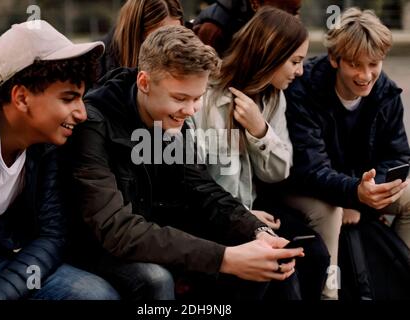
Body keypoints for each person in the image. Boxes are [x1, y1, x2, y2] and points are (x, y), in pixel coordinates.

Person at [64, 25, 304, 300]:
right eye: (180, 98)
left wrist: (256, 230)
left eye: (198, 98)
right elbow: (115, 229)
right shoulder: (94, 123)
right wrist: (224, 258)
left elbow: (202, 188)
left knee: (263, 253)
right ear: (144, 83)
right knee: (154, 279)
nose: (189, 110)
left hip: (154, 230)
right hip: (96, 246)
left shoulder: (172, 120)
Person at [0, 20, 119, 300]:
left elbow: (53, 234)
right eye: (69, 98)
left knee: (95, 295)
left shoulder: (47, 143)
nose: (82, 113)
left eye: (81, 98)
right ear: (21, 97)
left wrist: (2, 293)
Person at [190, 6, 329, 300]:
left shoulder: (273, 98)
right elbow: (194, 180)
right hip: (212, 217)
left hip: (249, 211)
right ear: (270, 54)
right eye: (294, 61)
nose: (300, 71)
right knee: (282, 270)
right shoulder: (205, 96)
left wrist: (260, 130)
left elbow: (278, 171)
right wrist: (244, 217)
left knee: (315, 253)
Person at [284, 8, 410, 300]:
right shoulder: (305, 89)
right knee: (331, 213)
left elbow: (398, 156)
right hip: (309, 187)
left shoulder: (386, 93)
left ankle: (403, 280)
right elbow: (309, 169)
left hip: (357, 188)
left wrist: (368, 195)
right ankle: (330, 296)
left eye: (374, 64)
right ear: (334, 59)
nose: (366, 75)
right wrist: (354, 194)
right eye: (355, 64)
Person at [98, 0, 183, 78]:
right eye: (160, 36)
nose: (170, 44)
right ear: (137, 34)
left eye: (177, 33)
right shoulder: (96, 63)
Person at [192, 0, 302, 56]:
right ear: (256, 3)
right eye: (286, 12)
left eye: (296, 12)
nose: (294, 21)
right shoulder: (213, 30)